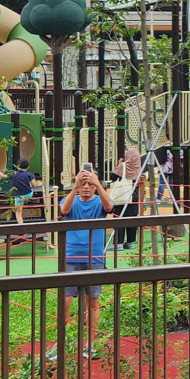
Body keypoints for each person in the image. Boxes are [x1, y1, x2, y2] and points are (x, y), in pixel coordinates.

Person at [57, 168, 108, 361]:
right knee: (66, 300)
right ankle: (65, 342)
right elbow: (64, 210)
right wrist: (74, 188)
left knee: (92, 302)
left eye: (90, 184)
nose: (86, 188)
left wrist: (98, 184)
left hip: (94, 258)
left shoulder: (99, 201)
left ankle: (91, 344)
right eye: (83, 184)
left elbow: (110, 207)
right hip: (71, 257)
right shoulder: (70, 199)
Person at [112, 145, 143, 249]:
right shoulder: (138, 167)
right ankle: (130, 242)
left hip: (123, 194)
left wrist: (119, 164)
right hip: (134, 195)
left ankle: (118, 243)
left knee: (119, 217)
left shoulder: (123, 165)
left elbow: (114, 177)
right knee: (132, 218)